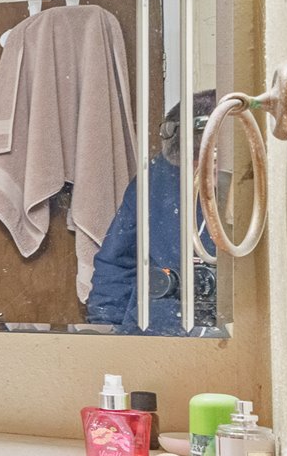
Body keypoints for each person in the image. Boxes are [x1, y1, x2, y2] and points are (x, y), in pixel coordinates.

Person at [87, 91, 218, 334]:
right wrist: (104, 329)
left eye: (205, 162)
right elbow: (115, 263)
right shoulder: (156, 179)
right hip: (152, 330)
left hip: (221, 338)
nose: (196, 173)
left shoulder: (248, 189)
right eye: (189, 163)